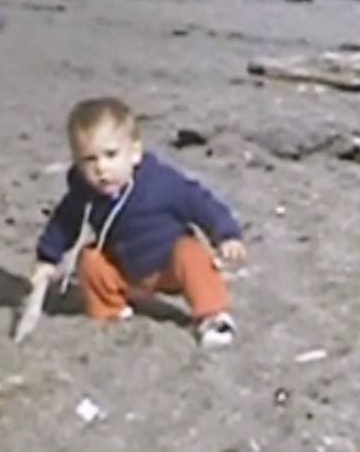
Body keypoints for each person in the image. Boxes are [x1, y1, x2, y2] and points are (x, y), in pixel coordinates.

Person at [31, 97, 247, 347]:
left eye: (111, 155)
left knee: (191, 254)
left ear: (134, 153)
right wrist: (47, 259)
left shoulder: (160, 183)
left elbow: (199, 202)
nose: (101, 168)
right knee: (91, 260)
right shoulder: (84, 192)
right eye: (89, 160)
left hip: (169, 266)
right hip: (125, 268)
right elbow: (64, 223)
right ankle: (111, 309)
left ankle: (213, 316)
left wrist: (227, 235)